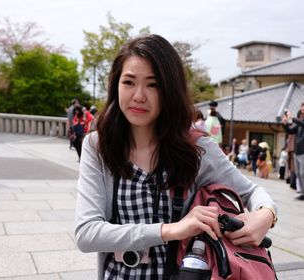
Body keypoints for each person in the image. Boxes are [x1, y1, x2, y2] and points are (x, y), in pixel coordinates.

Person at [75, 34, 277, 279]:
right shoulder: (99, 146)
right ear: (116, 85)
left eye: (153, 84)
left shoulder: (195, 147)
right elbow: (87, 233)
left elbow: (253, 192)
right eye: (129, 82)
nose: (139, 95)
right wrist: (170, 230)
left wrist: (266, 215)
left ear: (169, 90)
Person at [282, 103, 304, 200]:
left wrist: (293, 118)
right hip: (297, 151)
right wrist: (285, 124)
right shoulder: (300, 121)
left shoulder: (300, 122)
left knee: (303, 173)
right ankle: (303, 193)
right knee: (298, 173)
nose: (302, 108)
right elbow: (290, 131)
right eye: (302, 106)